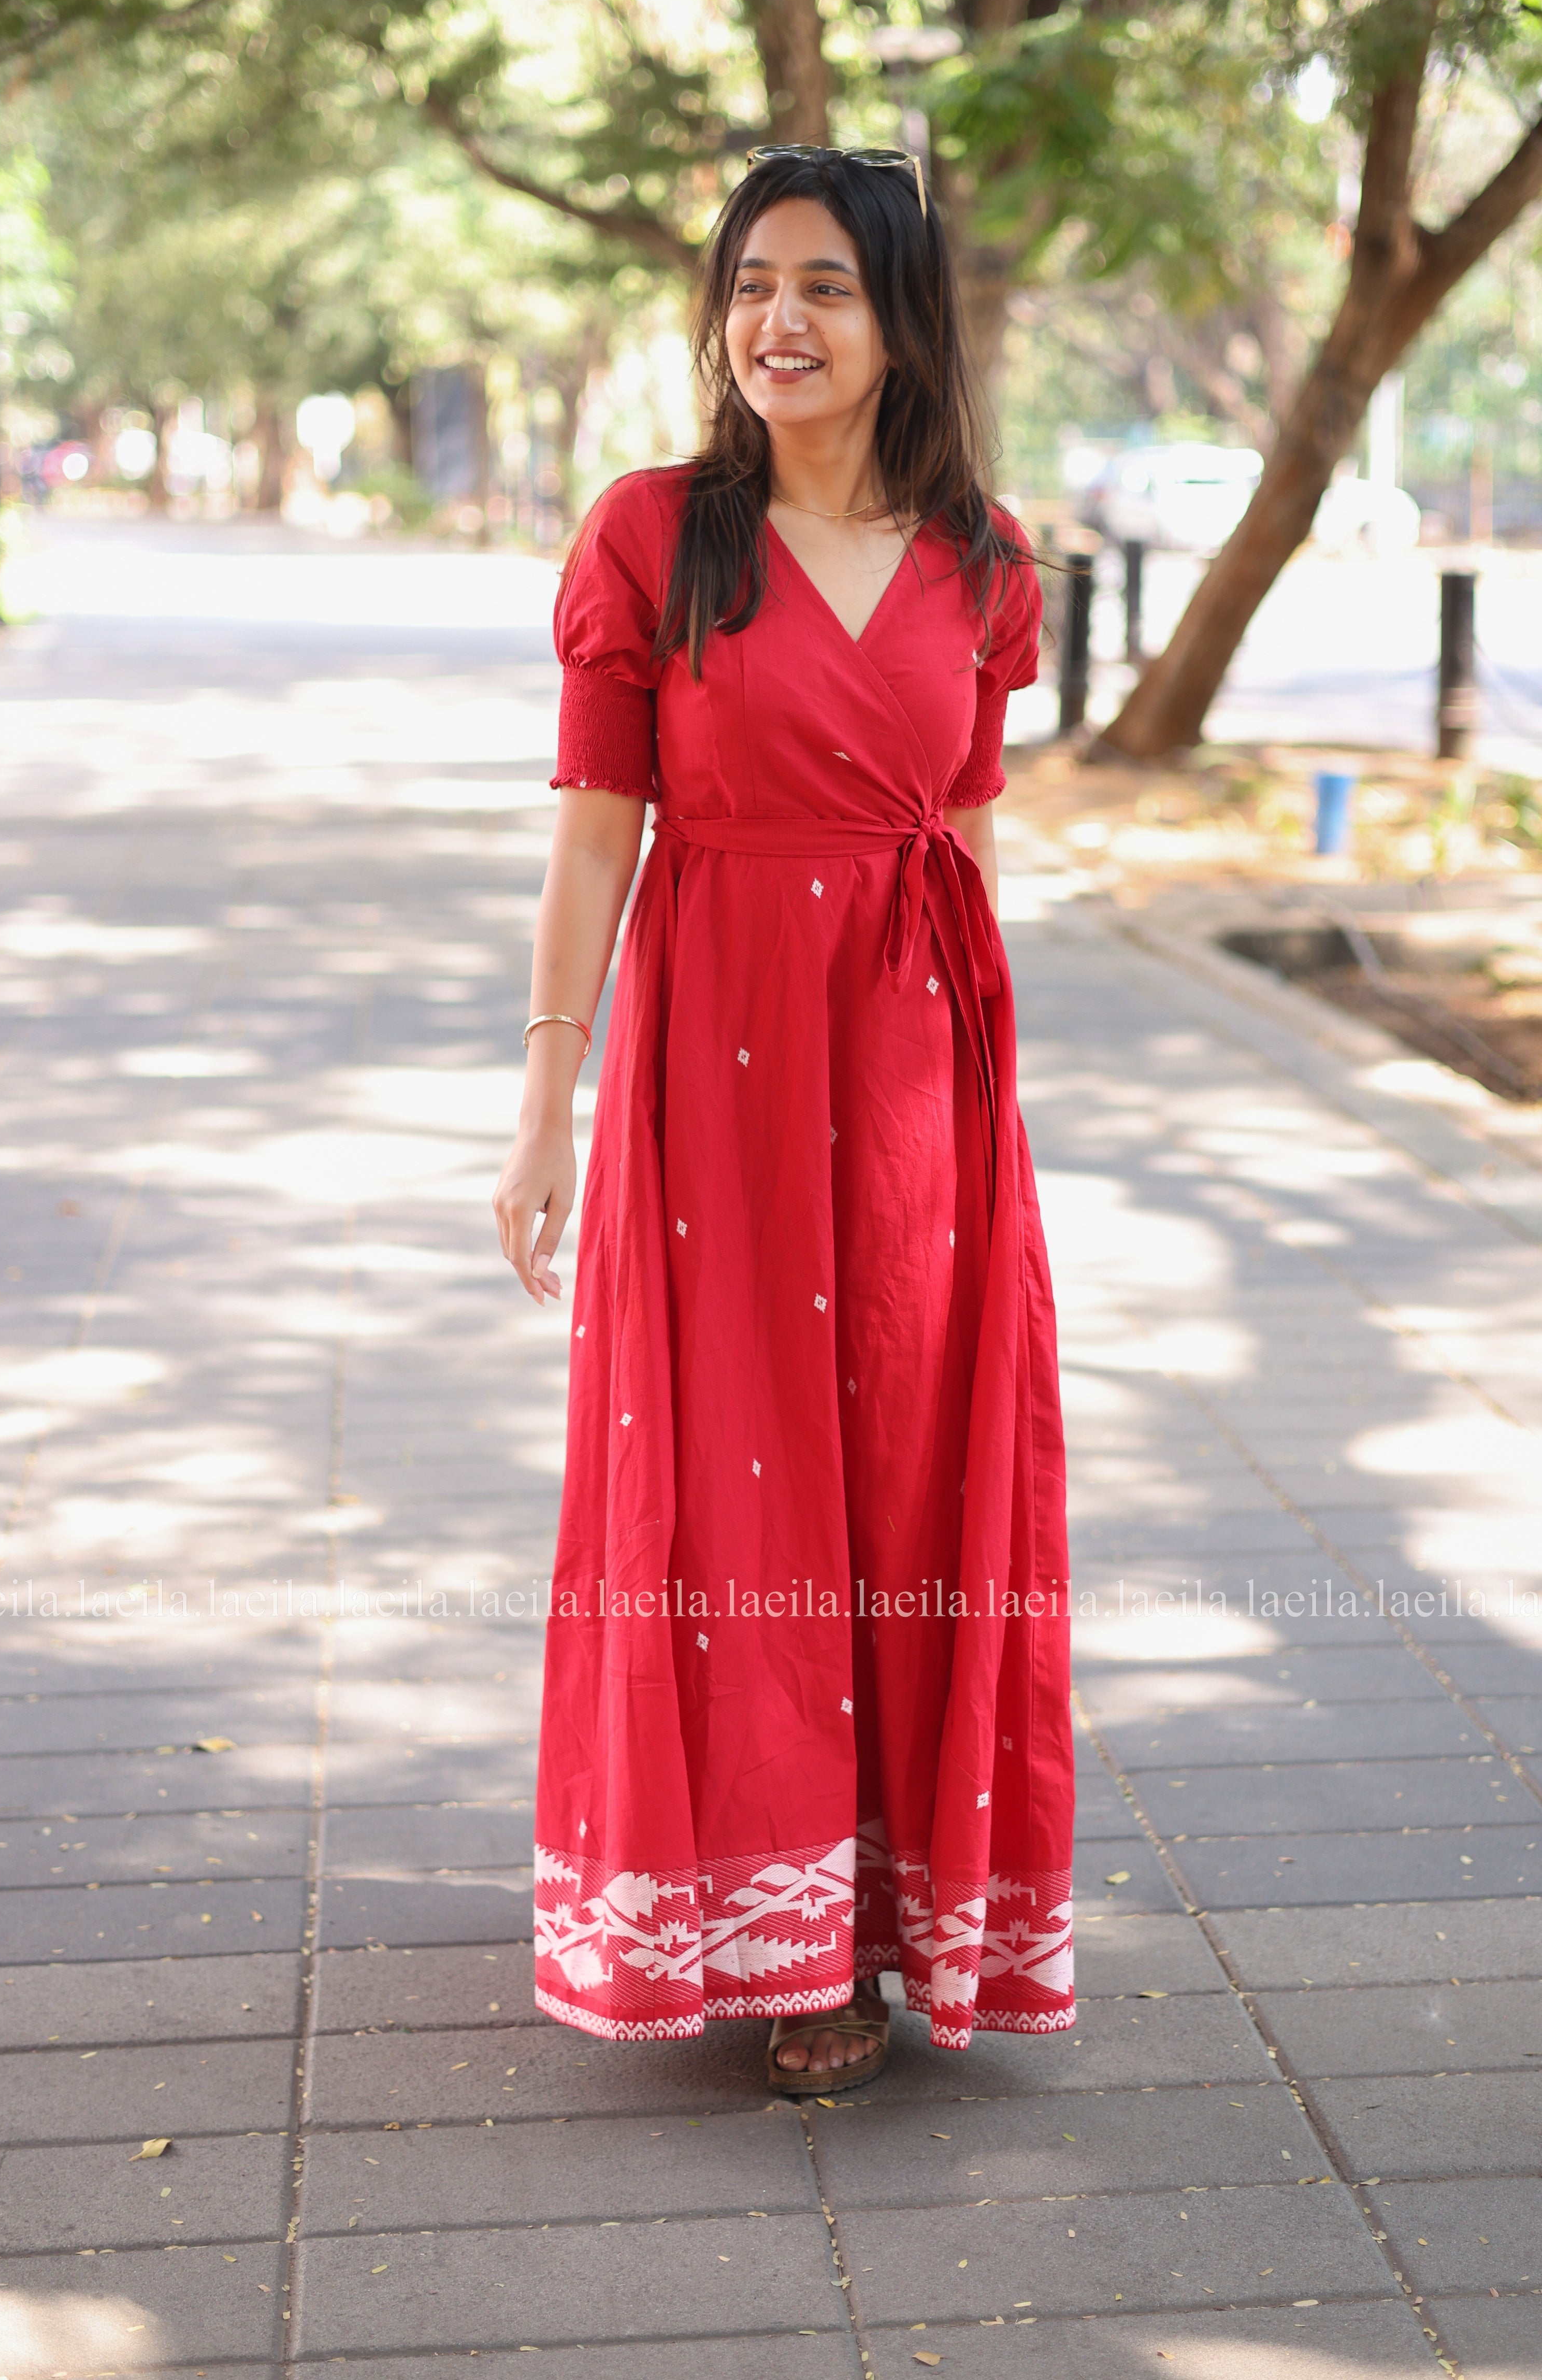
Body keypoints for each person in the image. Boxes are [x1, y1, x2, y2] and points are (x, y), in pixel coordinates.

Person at [493, 145, 1073, 2096]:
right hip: (714, 1061)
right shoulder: (657, 537)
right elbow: (596, 837)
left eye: (824, 285)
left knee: (909, 1469)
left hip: (915, 1072)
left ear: (902, 318)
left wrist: (985, 1116)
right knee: (729, 1477)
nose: (778, 322)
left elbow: (968, 832)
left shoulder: (985, 562)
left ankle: (891, 1927)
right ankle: (757, 1927)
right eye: (751, 284)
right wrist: (547, 1102)